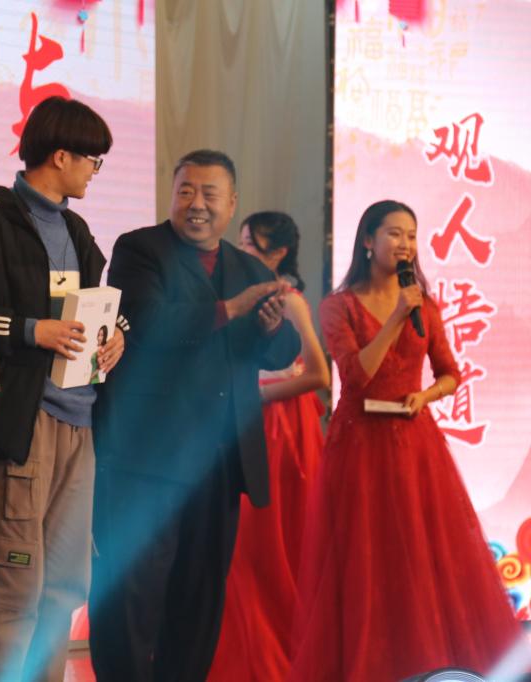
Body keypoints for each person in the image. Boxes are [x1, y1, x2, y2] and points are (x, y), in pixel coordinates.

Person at [287, 200, 525, 680]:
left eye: (412, 236)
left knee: (423, 558)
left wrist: (425, 396)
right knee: (367, 560)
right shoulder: (338, 306)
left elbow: (450, 373)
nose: (405, 245)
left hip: (415, 446)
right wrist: (397, 316)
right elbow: (357, 377)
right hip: (360, 448)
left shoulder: (424, 306)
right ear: (367, 240)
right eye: (394, 234)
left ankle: (431, 664)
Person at [89, 149, 300, 682]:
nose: (196, 204)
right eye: (186, 191)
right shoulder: (140, 249)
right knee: (131, 597)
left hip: (219, 465)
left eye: (210, 194)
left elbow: (283, 352)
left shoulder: (250, 268)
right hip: (147, 462)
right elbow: (147, 323)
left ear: (232, 203)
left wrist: (271, 326)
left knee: (200, 598)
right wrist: (231, 309)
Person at [0, 95, 125, 681]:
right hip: (23, 423)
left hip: (80, 421)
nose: (95, 171)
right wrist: (28, 330)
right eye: (92, 159)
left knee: (63, 587)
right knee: (12, 586)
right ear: (60, 156)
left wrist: (117, 334)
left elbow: (98, 306)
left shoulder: (77, 229)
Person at [208, 211, 329, 681]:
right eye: (240, 242)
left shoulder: (289, 300)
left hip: (281, 430)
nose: (241, 253)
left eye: (252, 246)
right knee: (237, 545)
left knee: (267, 543)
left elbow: (318, 375)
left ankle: (272, 649)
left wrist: (257, 394)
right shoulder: (235, 299)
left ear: (278, 254)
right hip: (245, 423)